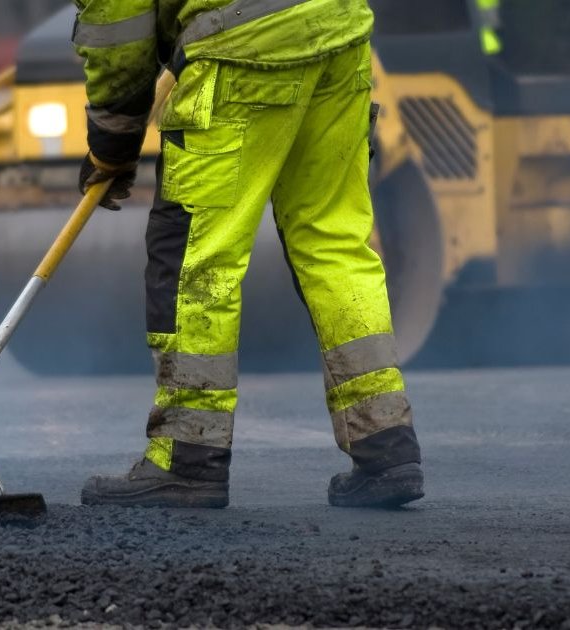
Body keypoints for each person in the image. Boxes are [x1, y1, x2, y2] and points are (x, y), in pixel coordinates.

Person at [74, 0, 423, 509]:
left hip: (242, 49)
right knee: (334, 243)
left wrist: (113, 142)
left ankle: (188, 458)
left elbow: (117, 26)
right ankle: (386, 445)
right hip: (338, 32)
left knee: (199, 258)